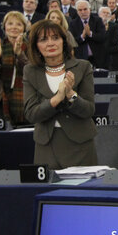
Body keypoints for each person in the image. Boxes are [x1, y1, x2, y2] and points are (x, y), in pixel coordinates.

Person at [23, 20, 98, 169]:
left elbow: (89, 109)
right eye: (44, 39)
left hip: (80, 145)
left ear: (64, 41)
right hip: (46, 146)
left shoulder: (82, 67)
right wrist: (56, 99)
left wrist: (71, 95)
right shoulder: (30, 71)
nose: (50, 43)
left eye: (55, 38)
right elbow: (32, 114)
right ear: (36, 46)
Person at [0, 11, 30, 125]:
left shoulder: (31, 46)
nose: (14, 27)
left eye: (18, 24)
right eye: (10, 24)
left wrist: (20, 54)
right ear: (4, 27)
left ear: (24, 28)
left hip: (26, 99)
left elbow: (32, 72)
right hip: (2, 99)